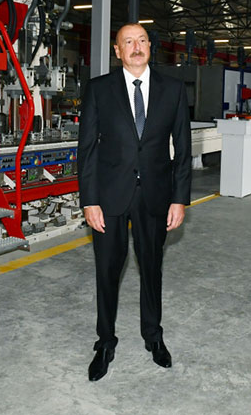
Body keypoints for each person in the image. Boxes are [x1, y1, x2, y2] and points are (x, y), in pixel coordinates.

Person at [78, 23, 191, 381]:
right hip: (109, 197)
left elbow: (183, 149)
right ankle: (105, 341)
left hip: (155, 196)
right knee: (107, 271)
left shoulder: (173, 90)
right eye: (128, 41)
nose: (136, 46)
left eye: (142, 40)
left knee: (151, 268)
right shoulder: (99, 89)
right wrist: (89, 201)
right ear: (117, 51)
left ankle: (153, 336)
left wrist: (180, 199)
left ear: (150, 47)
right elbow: (87, 150)